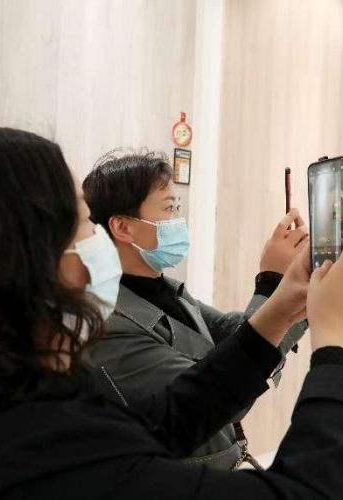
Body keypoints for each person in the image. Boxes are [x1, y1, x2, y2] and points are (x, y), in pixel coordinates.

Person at [0, 127, 343, 499]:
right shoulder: (42, 461)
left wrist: (280, 305)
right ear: (23, 264)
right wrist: (336, 342)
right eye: (81, 227)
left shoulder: (11, 402)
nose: (93, 241)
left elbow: (169, 416)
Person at [81, 151, 308, 469]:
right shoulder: (110, 324)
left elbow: (233, 335)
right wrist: (272, 283)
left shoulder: (165, 289)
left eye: (179, 207)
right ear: (122, 226)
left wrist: (300, 284)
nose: (179, 220)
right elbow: (214, 396)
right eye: (169, 208)